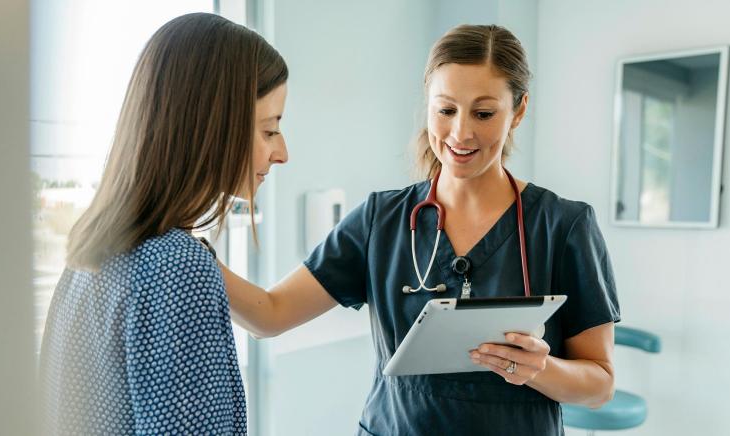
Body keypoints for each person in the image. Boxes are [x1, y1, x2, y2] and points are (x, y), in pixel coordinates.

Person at [223, 24, 620, 435]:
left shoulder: (564, 226)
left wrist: (539, 368)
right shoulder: (382, 219)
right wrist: (184, 242)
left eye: (484, 113)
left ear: (518, 110)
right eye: (445, 110)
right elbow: (268, 315)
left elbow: (600, 385)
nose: (461, 133)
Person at [39, 13, 289, 435]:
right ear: (213, 128)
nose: (281, 153)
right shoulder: (179, 269)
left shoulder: (90, 253)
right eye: (269, 131)